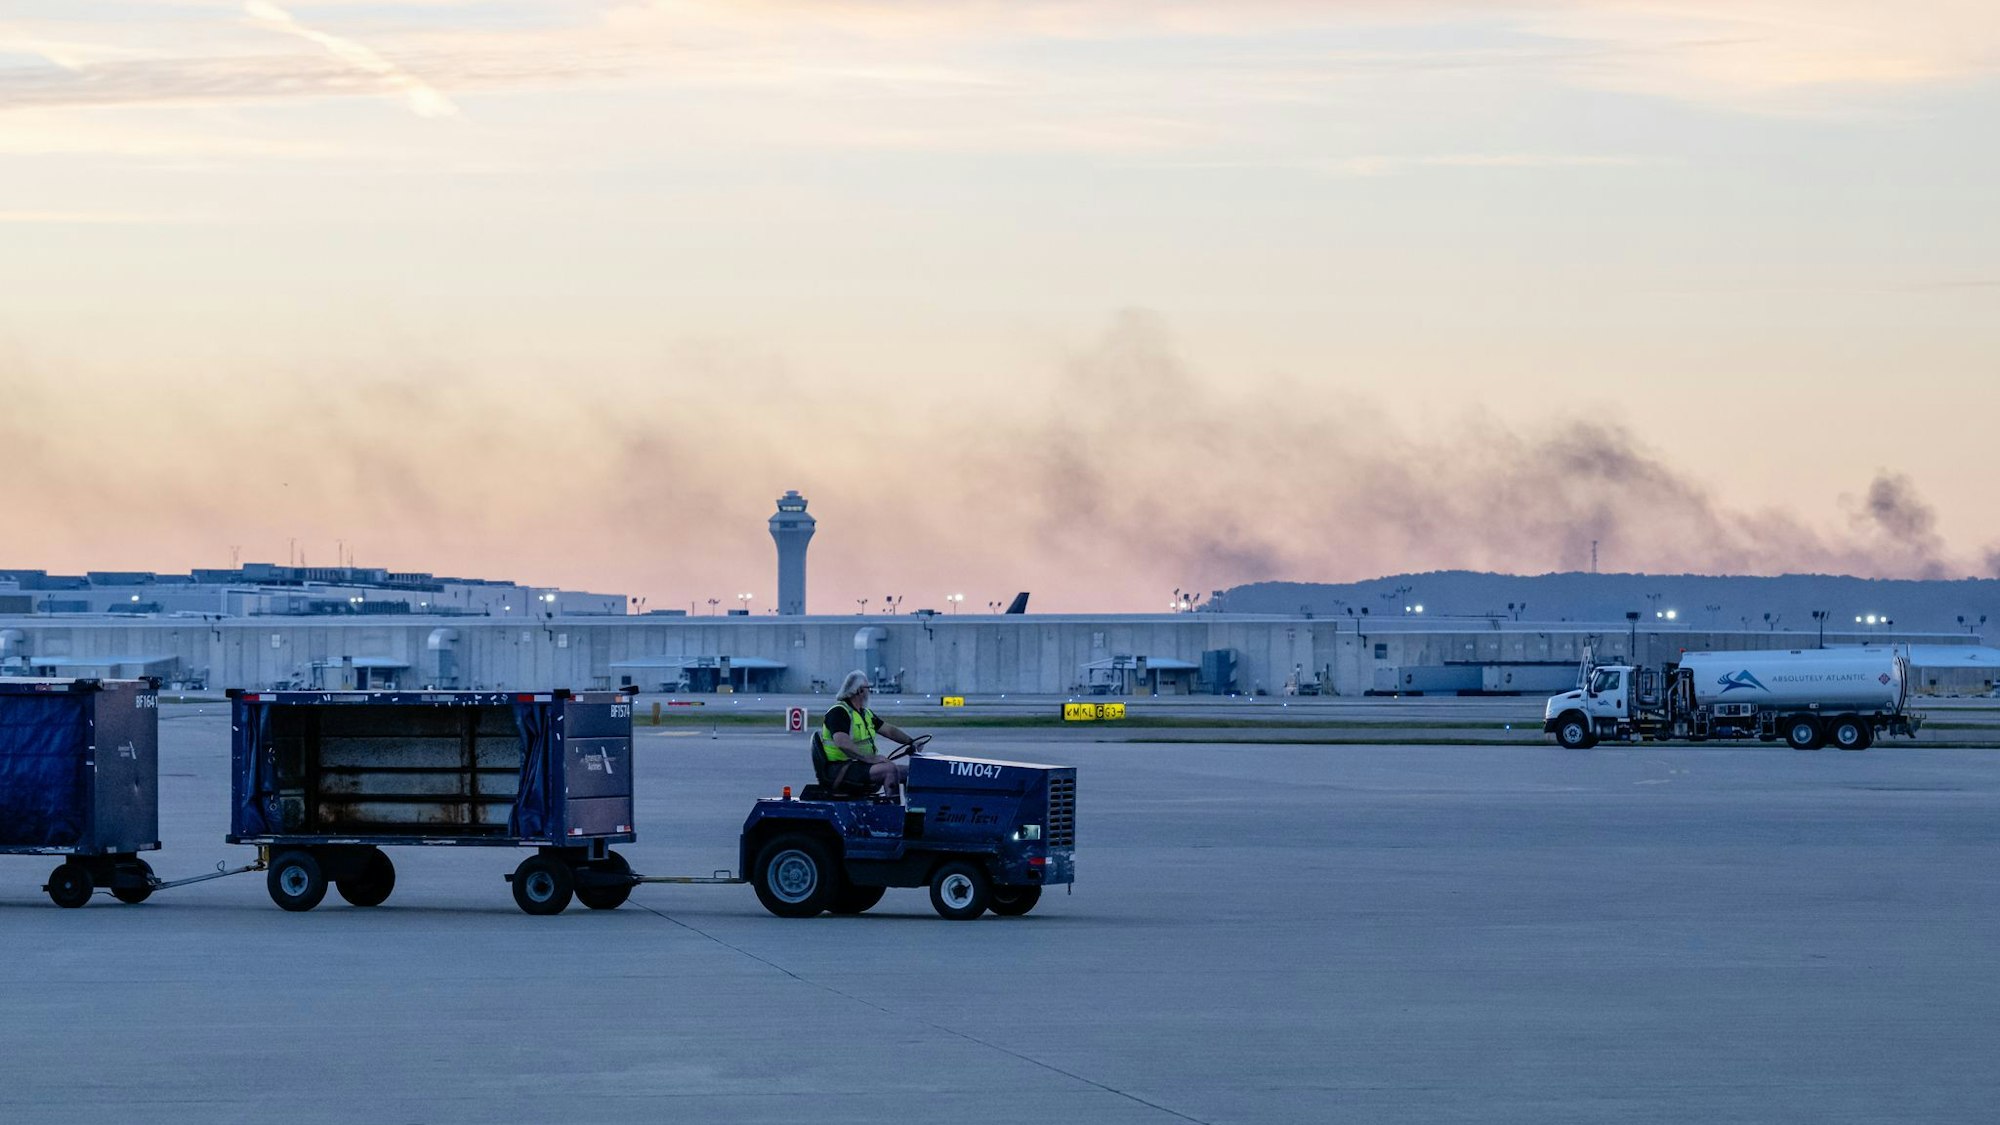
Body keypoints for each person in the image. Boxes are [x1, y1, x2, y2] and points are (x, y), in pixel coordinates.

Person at [820, 671, 920, 792]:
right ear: (859, 690)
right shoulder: (839, 712)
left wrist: (911, 742)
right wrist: (869, 758)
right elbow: (842, 742)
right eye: (868, 688)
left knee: (909, 772)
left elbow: (889, 731)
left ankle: (911, 809)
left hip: (859, 765)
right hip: (842, 768)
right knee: (890, 770)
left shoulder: (865, 713)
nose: (870, 692)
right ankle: (892, 809)